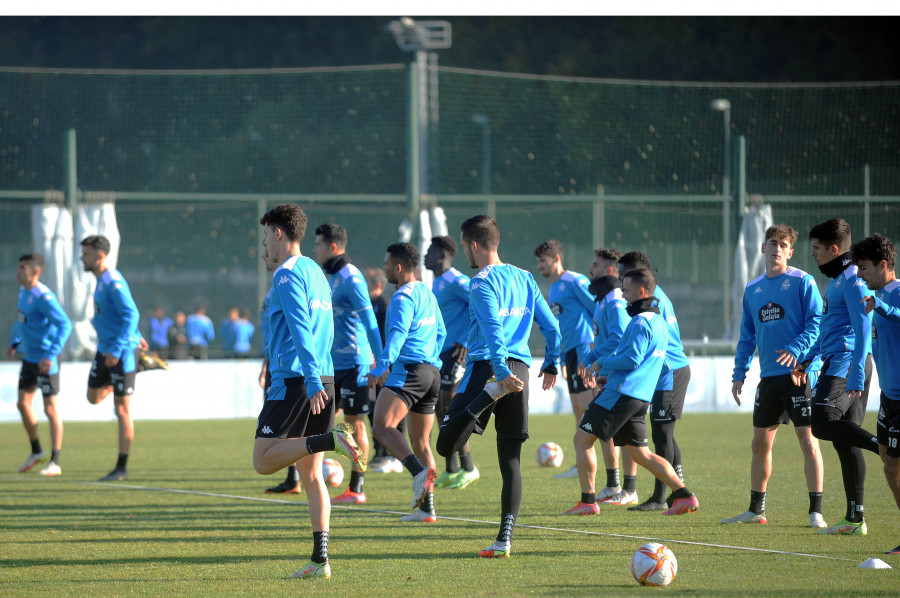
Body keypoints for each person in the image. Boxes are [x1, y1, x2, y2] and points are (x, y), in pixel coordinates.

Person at [436, 215, 560, 559]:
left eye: (464, 247)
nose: (465, 253)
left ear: (473, 245)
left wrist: (498, 377)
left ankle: (486, 396)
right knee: (510, 460)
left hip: (489, 369)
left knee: (446, 444)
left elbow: (493, 331)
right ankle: (504, 540)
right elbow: (552, 327)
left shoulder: (480, 282)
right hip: (519, 369)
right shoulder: (524, 277)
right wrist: (551, 362)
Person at [252, 203, 365, 579]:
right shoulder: (316, 272)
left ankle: (330, 441)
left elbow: (301, 328)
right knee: (311, 475)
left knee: (264, 460)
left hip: (299, 380)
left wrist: (311, 378)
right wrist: (321, 377)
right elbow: (324, 329)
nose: (265, 243)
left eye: (267, 235)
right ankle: (321, 560)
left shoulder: (285, 275)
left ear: (280, 233)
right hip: (324, 377)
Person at [563, 267, 699, 517]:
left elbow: (632, 359)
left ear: (640, 291)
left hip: (621, 394)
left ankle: (588, 501)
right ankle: (684, 495)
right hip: (639, 397)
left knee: (581, 440)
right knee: (641, 453)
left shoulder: (639, 321)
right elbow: (640, 360)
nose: (622, 295)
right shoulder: (658, 322)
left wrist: (600, 364)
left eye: (625, 290)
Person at [723, 224, 827, 528]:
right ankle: (756, 510)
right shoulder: (753, 289)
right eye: (772, 243)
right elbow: (747, 336)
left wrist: (797, 352)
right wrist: (739, 373)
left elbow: (817, 324)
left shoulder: (803, 282)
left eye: (783, 244)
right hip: (769, 378)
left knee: (807, 440)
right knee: (760, 444)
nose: (777, 249)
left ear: (790, 251)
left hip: (799, 374)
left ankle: (815, 512)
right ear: (763, 248)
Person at [794, 218, 878, 536]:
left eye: (816, 249)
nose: (812, 255)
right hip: (837, 361)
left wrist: (856, 373)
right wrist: (807, 358)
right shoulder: (838, 279)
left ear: (833, 249)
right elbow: (828, 328)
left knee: (822, 423)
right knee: (845, 440)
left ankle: (883, 444)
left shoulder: (853, 279)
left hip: (845, 364)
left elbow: (861, 329)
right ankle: (855, 519)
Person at [368, 242, 446, 522]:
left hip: (409, 371)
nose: (385, 268)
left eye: (388, 264)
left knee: (381, 425)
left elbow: (399, 334)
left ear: (398, 267)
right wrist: (432, 360)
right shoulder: (427, 293)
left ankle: (418, 473)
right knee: (421, 442)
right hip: (431, 373)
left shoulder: (402, 297)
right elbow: (442, 332)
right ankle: (427, 509)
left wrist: (382, 366)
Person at [313, 223, 385, 505]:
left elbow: (369, 322)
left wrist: (380, 362)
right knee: (321, 421)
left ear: (332, 247)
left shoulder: (351, 277)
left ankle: (357, 488)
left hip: (356, 363)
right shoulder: (330, 278)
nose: (314, 249)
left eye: (318, 244)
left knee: (355, 425)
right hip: (333, 365)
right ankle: (315, 477)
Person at [616, 250, 692, 512]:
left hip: (670, 371)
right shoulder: (658, 294)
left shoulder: (648, 301)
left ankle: (661, 498)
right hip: (666, 371)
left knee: (662, 435)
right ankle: (676, 486)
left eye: (623, 275)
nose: (620, 281)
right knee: (665, 434)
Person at [80, 235, 142, 481]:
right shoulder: (101, 280)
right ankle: (140, 367)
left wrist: (120, 347)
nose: (82, 258)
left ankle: (121, 468)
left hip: (121, 353)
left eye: (85, 254)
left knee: (121, 409)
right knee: (93, 398)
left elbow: (132, 314)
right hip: (105, 349)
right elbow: (121, 318)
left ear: (100, 255)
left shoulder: (113, 281)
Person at [853, 233, 900, 554]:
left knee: (892, 467)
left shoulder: (894, 294)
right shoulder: (877, 297)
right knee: (888, 462)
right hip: (889, 398)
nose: (859, 274)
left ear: (884, 266)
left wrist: (882, 307)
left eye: (865, 268)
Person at [534, 239, 596, 480]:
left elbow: (597, 309)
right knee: (579, 410)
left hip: (584, 351)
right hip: (569, 354)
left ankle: (612, 477)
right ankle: (582, 463)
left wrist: (594, 350)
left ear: (556, 259)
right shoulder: (555, 288)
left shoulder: (574, 280)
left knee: (591, 410)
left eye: (543, 260)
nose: (539, 265)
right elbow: (561, 325)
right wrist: (560, 356)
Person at [7, 254, 72, 476]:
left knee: (50, 408)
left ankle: (55, 461)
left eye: (22, 268)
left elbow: (65, 324)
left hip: (46, 359)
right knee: (22, 404)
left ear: (35, 272)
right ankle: (36, 450)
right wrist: (15, 343)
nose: (18, 271)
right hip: (30, 358)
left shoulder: (43, 296)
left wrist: (51, 355)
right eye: (18, 267)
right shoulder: (23, 291)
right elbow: (23, 321)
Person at [577, 248, 632, 504]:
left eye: (596, 265)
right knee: (607, 434)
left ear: (609, 270)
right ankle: (614, 485)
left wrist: (593, 360)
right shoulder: (604, 299)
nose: (591, 269)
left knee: (629, 435)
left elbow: (618, 339)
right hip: (607, 375)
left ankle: (628, 489)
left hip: (619, 377)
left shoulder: (615, 300)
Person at [425, 235, 480, 490]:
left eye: (429, 251)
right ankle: (452, 467)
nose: (425, 255)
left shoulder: (456, 279)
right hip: (442, 353)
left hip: (457, 353)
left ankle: (469, 467)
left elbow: (481, 305)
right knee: (440, 407)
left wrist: (468, 341)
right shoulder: (438, 282)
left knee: (451, 407)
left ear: (441, 254)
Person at [258, 251, 302, 495]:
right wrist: (265, 363)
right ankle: (293, 477)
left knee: (286, 427)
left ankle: (294, 476)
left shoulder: (286, 282)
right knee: (286, 426)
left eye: (268, 249)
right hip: (273, 363)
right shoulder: (275, 284)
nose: (264, 253)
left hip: (287, 368)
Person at [364, 266, 405, 474]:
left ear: (378, 285)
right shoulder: (369, 305)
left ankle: (394, 456)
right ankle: (380, 453)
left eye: (368, 283)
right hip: (375, 364)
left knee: (394, 411)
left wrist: (384, 363)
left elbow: (390, 337)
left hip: (387, 366)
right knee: (374, 409)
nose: (365, 287)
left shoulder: (385, 304)